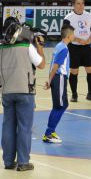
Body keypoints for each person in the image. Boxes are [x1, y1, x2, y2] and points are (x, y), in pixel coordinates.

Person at [0, 17, 46, 171]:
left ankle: (7, 161)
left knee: (8, 126)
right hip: (25, 91)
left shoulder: (1, 47)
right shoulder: (27, 46)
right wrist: (39, 46)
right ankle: (23, 162)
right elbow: (41, 64)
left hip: (7, 91)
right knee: (24, 127)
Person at [42, 25, 75, 143]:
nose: (74, 36)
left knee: (62, 104)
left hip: (57, 78)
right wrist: (49, 81)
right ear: (69, 35)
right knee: (59, 106)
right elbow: (56, 66)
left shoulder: (58, 46)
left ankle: (51, 130)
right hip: (59, 78)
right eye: (73, 34)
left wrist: (50, 79)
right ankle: (48, 133)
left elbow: (53, 64)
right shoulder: (64, 49)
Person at [63, 0, 91, 102]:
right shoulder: (68, 18)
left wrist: (90, 39)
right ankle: (74, 94)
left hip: (86, 47)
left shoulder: (88, 15)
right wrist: (78, 40)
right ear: (73, 5)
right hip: (74, 48)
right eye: (78, 3)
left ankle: (90, 93)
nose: (81, 6)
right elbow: (66, 35)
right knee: (74, 71)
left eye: (82, 3)